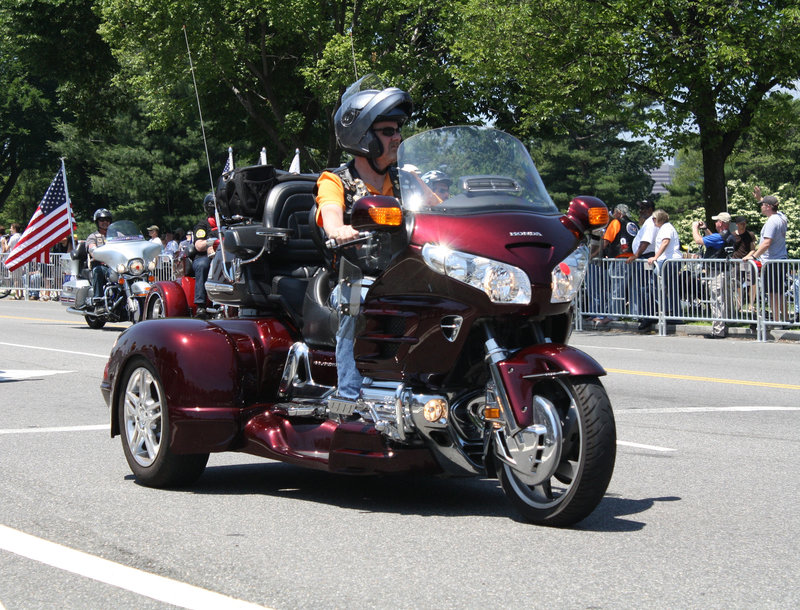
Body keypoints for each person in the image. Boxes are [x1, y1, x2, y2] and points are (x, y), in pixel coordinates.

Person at [315, 78, 412, 401]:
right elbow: (330, 215)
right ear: (363, 138)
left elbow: (438, 211)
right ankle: (349, 398)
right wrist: (339, 228)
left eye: (398, 129)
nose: (398, 136)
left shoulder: (406, 180)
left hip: (403, 278)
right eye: (388, 131)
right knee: (359, 300)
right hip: (351, 280)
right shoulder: (335, 180)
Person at [743, 189, 788, 323]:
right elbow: (772, 206)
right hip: (779, 259)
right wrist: (760, 198)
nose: (761, 206)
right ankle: (784, 319)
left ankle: (776, 321)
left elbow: (766, 243)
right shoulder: (781, 216)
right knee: (779, 292)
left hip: (772, 260)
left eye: (763, 204)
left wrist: (754, 256)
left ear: (768, 207)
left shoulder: (772, 221)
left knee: (774, 293)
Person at [691, 212, 735, 338]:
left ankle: (718, 331)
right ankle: (723, 327)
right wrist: (705, 229)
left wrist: (695, 228)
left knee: (717, 301)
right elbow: (713, 241)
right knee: (723, 301)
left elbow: (699, 241)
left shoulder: (719, 237)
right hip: (724, 271)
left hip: (717, 273)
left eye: (716, 221)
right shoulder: (726, 236)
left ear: (721, 223)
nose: (715, 223)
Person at [595, 203, 638, 324]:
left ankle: (614, 315)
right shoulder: (634, 224)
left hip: (620, 259)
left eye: (614, 212)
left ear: (618, 212)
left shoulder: (616, 223)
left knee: (616, 289)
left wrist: (596, 254)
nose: (613, 214)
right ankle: (636, 314)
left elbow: (606, 241)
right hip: (634, 259)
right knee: (634, 288)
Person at [627, 200, 658, 331]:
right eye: (640, 209)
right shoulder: (647, 222)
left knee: (645, 288)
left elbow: (645, 242)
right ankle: (646, 314)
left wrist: (636, 255)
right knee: (642, 287)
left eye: (644, 209)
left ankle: (649, 316)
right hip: (643, 256)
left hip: (646, 257)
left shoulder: (651, 222)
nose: (641, 211)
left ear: (650, 209)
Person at [647, 209, 683, 323]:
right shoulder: (666, 227)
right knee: (672, 289)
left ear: (659, 219)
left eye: (654, 218)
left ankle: (667, 309)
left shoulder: (666, 228)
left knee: (653, 283)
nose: (653, 221)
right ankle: (676, 315)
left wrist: (655, 257)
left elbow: (665, 242)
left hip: (667, 260)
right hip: (671, 260)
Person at [192, 195, 219, 319]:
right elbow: (198, 245)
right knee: (203, 265)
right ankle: (201, 305)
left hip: (222, 254)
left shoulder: (226, 224)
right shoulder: (202, 225)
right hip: (204, 256)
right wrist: (211, 242)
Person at [86, 209, 112, 307]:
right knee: (98, 270)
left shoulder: (117, 235)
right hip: (102, 265)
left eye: (107, 220)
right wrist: (94, 251)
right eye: (102, 220)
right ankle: (98, 300)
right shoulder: (93, 237)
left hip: (117, 266)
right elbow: (92, 249)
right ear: (97, 222)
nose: (105, 222)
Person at [731, 215, 757, 312]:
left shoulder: (750, 235)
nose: (744, 225)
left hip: (748, 262)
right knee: (737, 284)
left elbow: (753, 249)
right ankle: (739, 305)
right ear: (737, 224)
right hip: (736, 262)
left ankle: (751, 304)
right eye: (742, 223)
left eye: (745, 223)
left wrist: (748, 256)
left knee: (752, 283)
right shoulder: (733, 235)